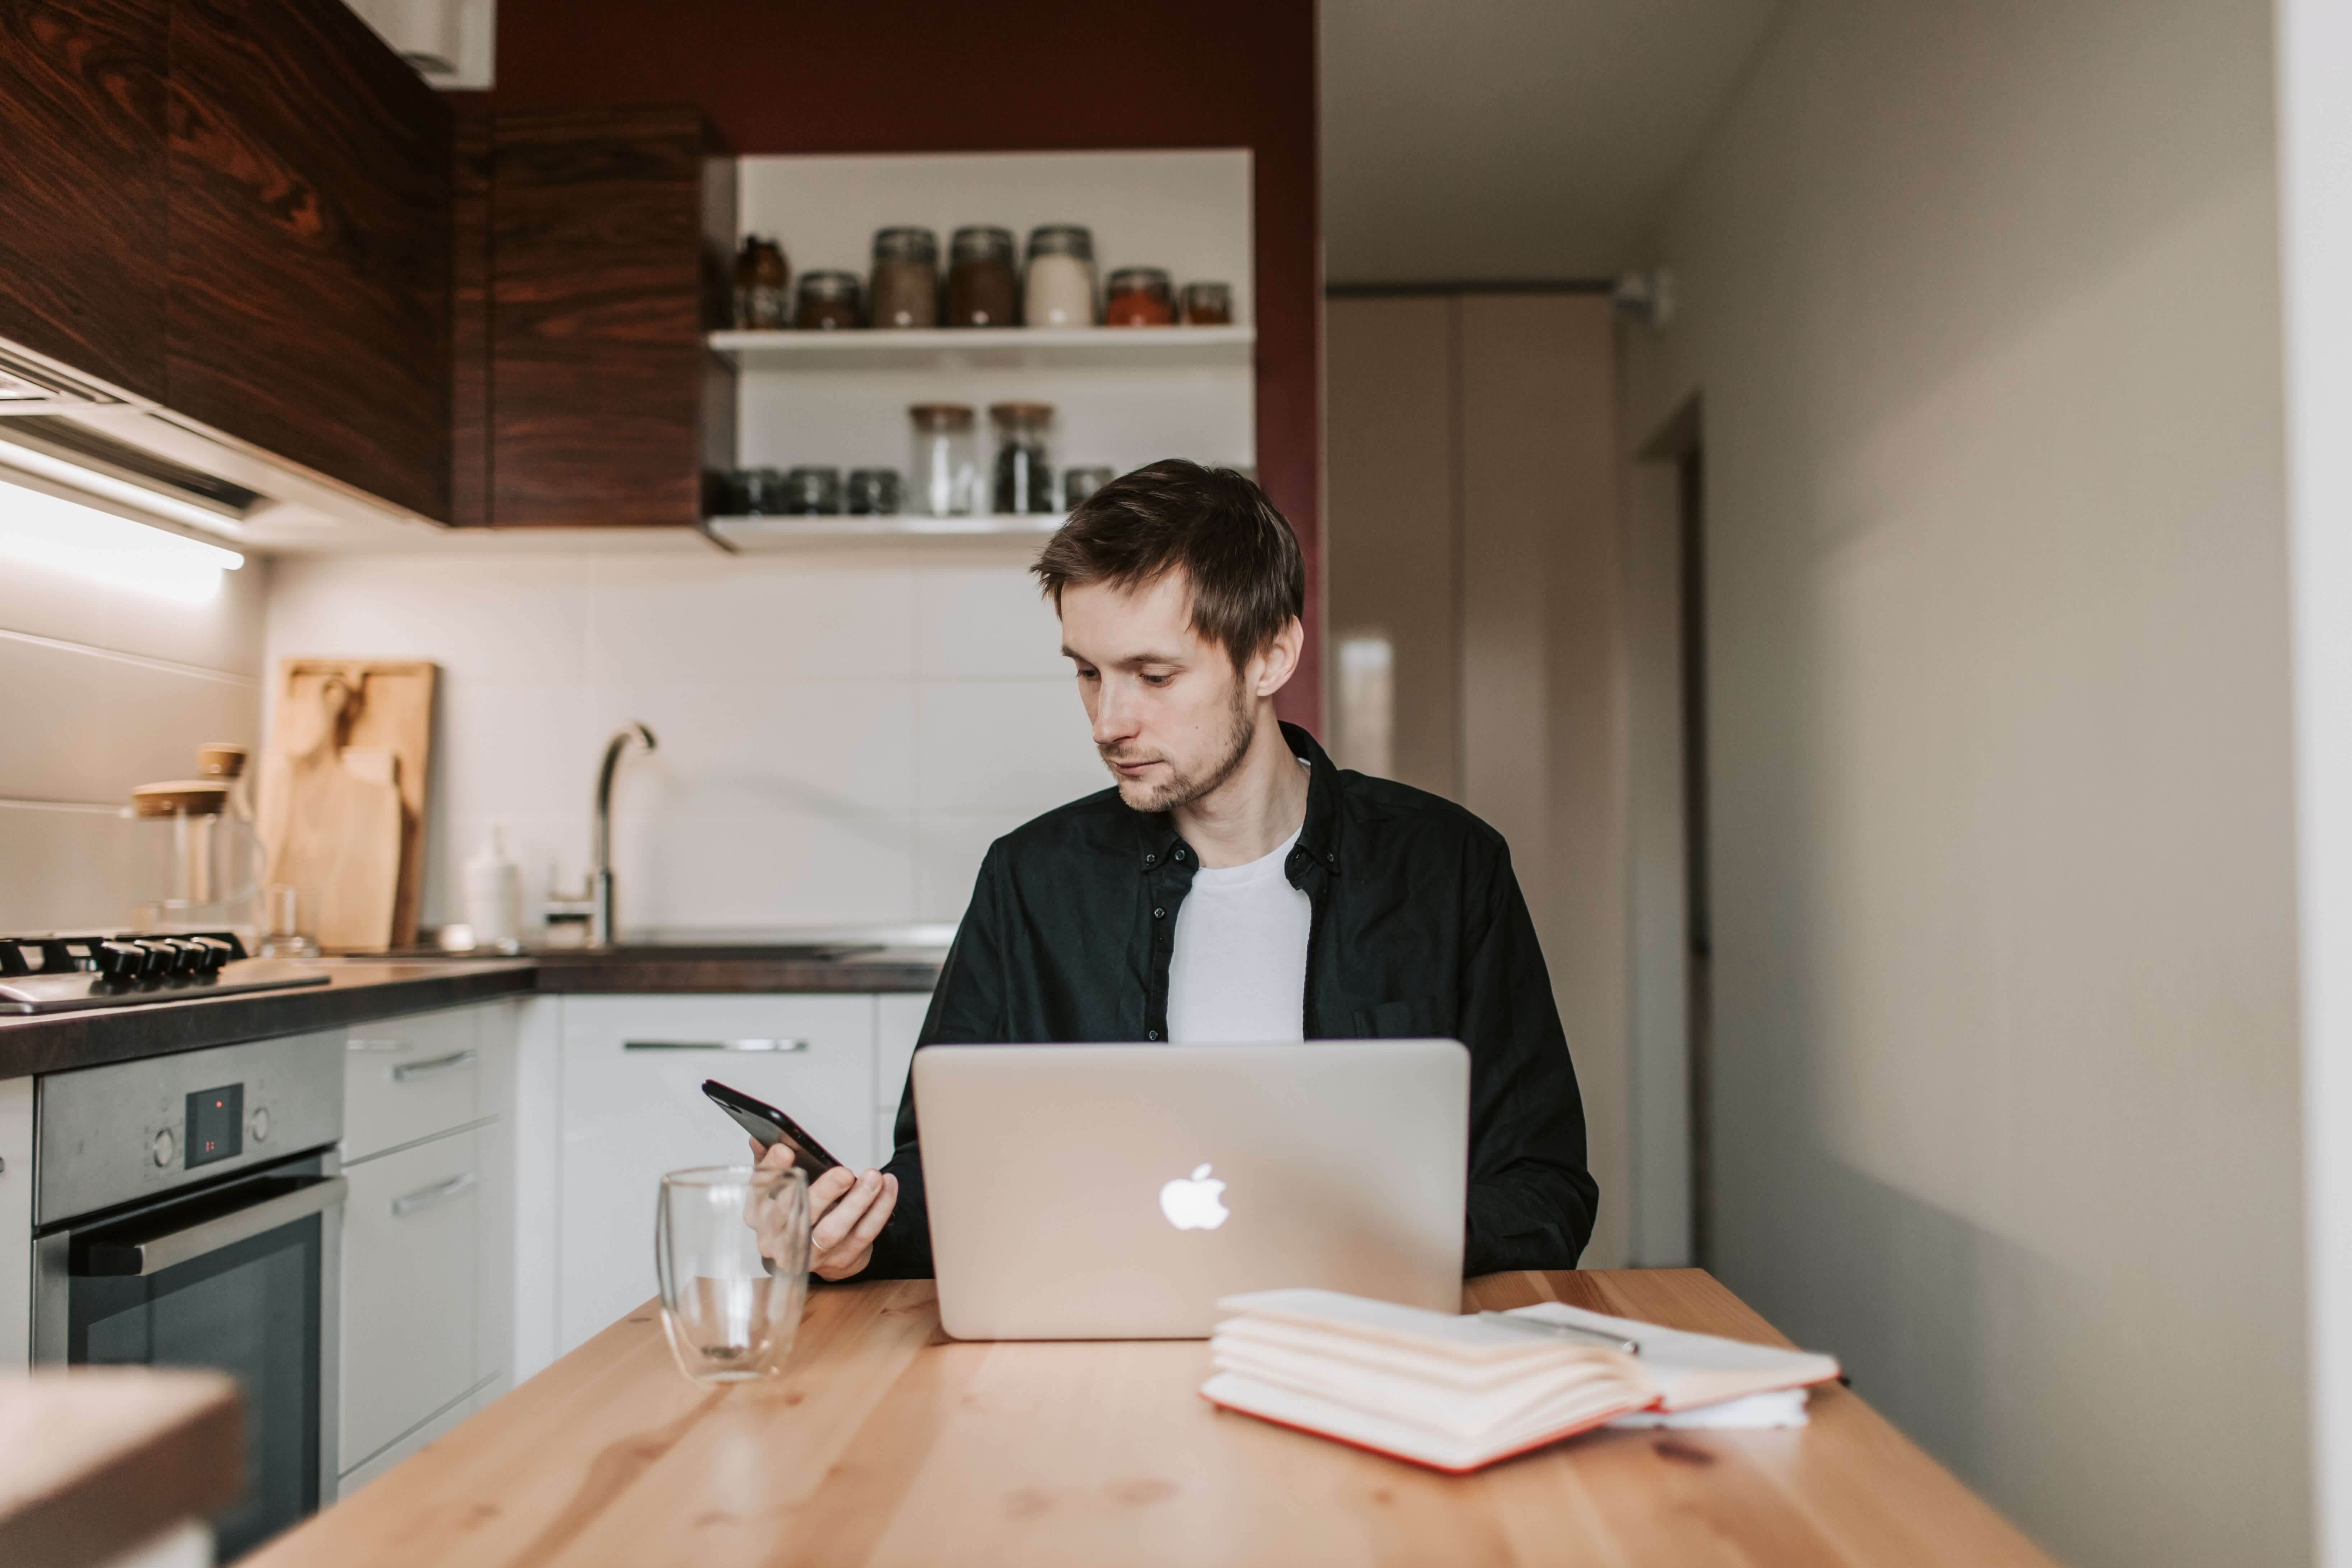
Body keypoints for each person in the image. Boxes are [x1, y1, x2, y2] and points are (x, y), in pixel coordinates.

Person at [755, 459, 1598, 1282]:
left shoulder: (1446, 868)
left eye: (1152, 675)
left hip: (1361, 1345)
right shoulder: (1030, 880)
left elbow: (1543, 1188)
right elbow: (940, 1174)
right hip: (1091, 1357)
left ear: (1269, 655)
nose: (1107, 722)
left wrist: (1383, 1239)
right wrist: (851, 1234)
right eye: (1087, 673)